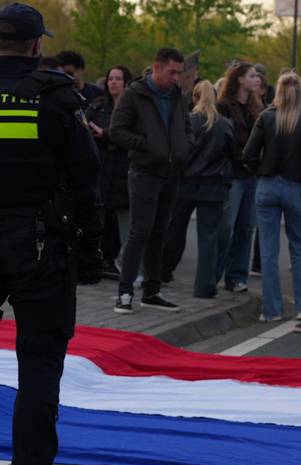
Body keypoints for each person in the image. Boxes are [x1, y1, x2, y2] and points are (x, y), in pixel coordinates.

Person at [0, 2, 102, 465]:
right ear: (37, 45)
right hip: (39, 246)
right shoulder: (56, 97)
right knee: (39, 372)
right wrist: (91, 251)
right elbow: (87, 181)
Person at [110, 47, 193, 314]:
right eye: (172, 72)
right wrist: (146, 145)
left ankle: (152, 291)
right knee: (140, 230)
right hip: (144, 171)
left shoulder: (177, 95)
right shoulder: (135, 94)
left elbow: (186, 126)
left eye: (179, 73)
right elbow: (116, 130)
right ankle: (125, 292)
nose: (177, 77)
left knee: (160, 232)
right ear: (156, 67)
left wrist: (184, 146)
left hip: (171, 172)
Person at [243, 73, 301, 322]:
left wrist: (261, 171)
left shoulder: (266, 117)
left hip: (267, 184)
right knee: (299, 248)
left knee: (268, 251)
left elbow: (248, 154)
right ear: (300, 92)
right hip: (296, 186)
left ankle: (272, 310)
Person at [160, 81, 239, 298]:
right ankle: (204, 286)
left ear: (194, 98)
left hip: (184, 182)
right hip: (213, 185)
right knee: (208, 236)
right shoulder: (225, 125)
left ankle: (162, 270)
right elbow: (233, 156)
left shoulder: (186, 121)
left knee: (175, 230)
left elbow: (176, 151)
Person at [215, 62, 263, 294]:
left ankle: (236, 277)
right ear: (240, 79)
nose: (257, 79)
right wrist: (241, 157)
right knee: (226, 228)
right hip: (232, 174)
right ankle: (212, 275)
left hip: (252, 175)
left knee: (246, 228)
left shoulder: (257, 108)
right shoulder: (223, 106)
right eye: (252, 76)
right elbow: (222, 140)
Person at [87, 65, 134, 279]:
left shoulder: (132, 108)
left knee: (116, 216)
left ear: (126, 82)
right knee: (99, 213)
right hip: (102, 166)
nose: (113, 82)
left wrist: (106, 134)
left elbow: (132, 135)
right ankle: (98, 257)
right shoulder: (98, 106)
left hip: (123, 168)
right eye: (110, 79)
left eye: (118, 79)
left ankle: (111, 257)